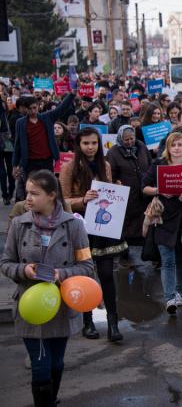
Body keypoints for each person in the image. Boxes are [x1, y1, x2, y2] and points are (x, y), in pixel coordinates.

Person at [0, 170, 93, 407]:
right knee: (40, 366)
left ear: (52, 196)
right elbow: (5, 263)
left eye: (34, 193)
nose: (27, 198)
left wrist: (61, 274)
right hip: (29, 307)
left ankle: (50, 399)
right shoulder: (19, 224)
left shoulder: (74, 226)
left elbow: (86, 266)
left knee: (56, 363)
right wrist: (24, 270)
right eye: (27, 192)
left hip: (60, 306)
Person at [59, 127, 125, 342]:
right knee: (85, 277)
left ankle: (113, 324)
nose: (90, 147)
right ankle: (87, 322)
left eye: (94, 143)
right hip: (81, 229)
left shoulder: (105, 165)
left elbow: (107, 196)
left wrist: (115, 189)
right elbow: (63, 201)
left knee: (107, 275)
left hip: (104, 229)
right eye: (86, 143)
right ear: (78, 145)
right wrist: (82, 200)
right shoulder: (69, 167)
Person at [143, 132, 182, 314]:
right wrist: (160, 190)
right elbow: (144, 187)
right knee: (168, 260)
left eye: (180, 145)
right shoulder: (158, 164)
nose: (177, 148)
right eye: (173, 145)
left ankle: (179, 292)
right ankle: (169, 298)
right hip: (163, 218)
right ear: (168, 148)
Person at [13, 93, 76, 200]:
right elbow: (18, 144)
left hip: (47, 161)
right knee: (32, 189)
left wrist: (71, 95)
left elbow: (62, 108)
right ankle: (33, 213)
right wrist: (15, 165)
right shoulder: (20, 123)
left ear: (38, 106)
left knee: (47, 187)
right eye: (30, 109)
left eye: (35, 108)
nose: (33, 111)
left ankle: (48, 210)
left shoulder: (47, 118)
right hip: (30, 163)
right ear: (25, 109)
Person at [106, 125, 152, 246]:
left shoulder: (141, 146)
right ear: (120, 138)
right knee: (128, 223)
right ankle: (127, 252)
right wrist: (116, 181)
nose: (130, 142)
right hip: (127, 195)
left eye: (132, 138)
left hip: (144, 193)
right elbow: (111, 174)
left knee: (144, 220)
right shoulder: (113, 152)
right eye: (126, 140)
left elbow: (149, 164)